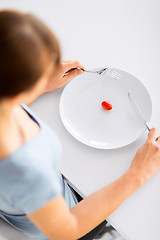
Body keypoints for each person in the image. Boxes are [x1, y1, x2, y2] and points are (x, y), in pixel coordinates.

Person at [0, 9, 160, 240]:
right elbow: (66, 230)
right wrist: (137, 174)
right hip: (66, 216)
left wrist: (41, 85)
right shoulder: (25, 168)